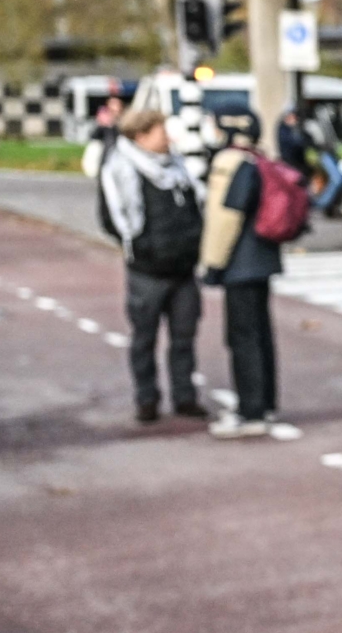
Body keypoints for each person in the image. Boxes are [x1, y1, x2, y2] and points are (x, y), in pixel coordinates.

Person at [98, 107, 206, 424]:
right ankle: (147, 399)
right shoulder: (120, 170)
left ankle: (184, 396)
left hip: (184, 270)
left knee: (184, 338)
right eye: (161, 131)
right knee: (144, 338)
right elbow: (112, 218)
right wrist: (143, 248)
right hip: (148, 272)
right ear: (141, 136)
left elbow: (195, 208)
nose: (168, 138)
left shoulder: (180, 169)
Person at [199, 111, 287, 439]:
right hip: (263, 259)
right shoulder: (259, 159)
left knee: (242, 337)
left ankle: (249, 412)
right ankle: (265, 403)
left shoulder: (229, 163)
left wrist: (212, 263)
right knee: (261, 334)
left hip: (239, 263)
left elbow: (225, 218)